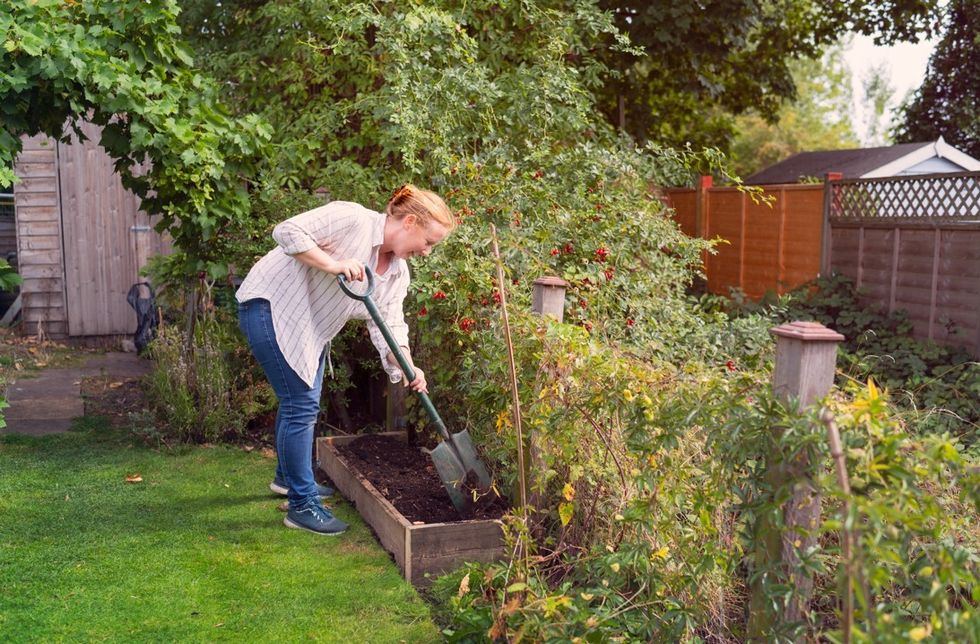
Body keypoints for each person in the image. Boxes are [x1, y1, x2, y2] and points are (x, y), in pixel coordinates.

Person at [236, 185, 455, 535]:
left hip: (310, 327)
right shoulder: (352, 218)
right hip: (272, 306)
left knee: (299, 404)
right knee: (300, 405)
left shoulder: (397, 273)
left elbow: (390, 324)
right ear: (410, 221)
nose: (427, 252)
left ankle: (288, 479)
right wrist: (334, 264)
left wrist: (407, 365)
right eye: (429, 241)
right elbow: (286, 231)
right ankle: (302, 505)